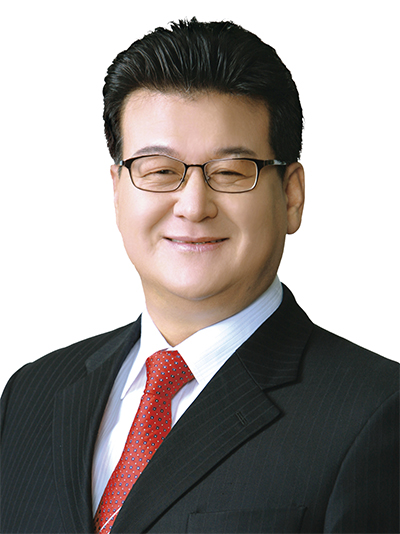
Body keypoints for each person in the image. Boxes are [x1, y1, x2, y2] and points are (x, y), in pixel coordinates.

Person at [1, 18, 398, 534]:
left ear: (291, 195)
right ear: (117, 192)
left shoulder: (377, 411)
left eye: (230, 173)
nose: (193, 206)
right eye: (159, 171)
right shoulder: (31, 395)